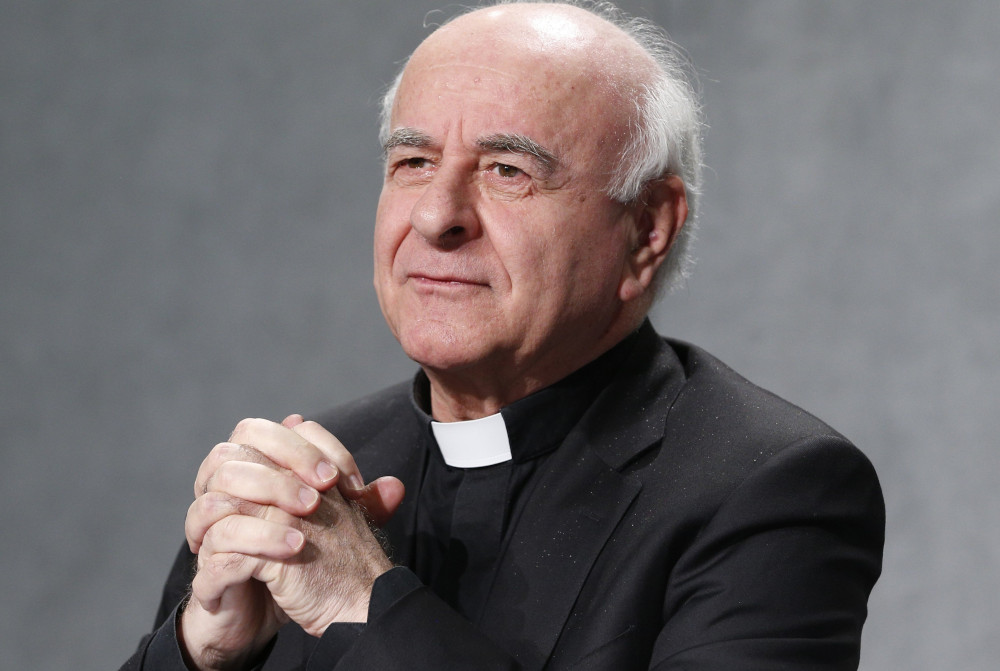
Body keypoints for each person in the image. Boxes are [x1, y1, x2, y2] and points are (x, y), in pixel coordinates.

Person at [122, 2, 884, 669]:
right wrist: (203, 651)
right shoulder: (310, 475)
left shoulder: (768, 489)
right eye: (414, 161)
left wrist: (363, 604)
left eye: (508, 170)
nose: (436, 215)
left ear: (647, 228)